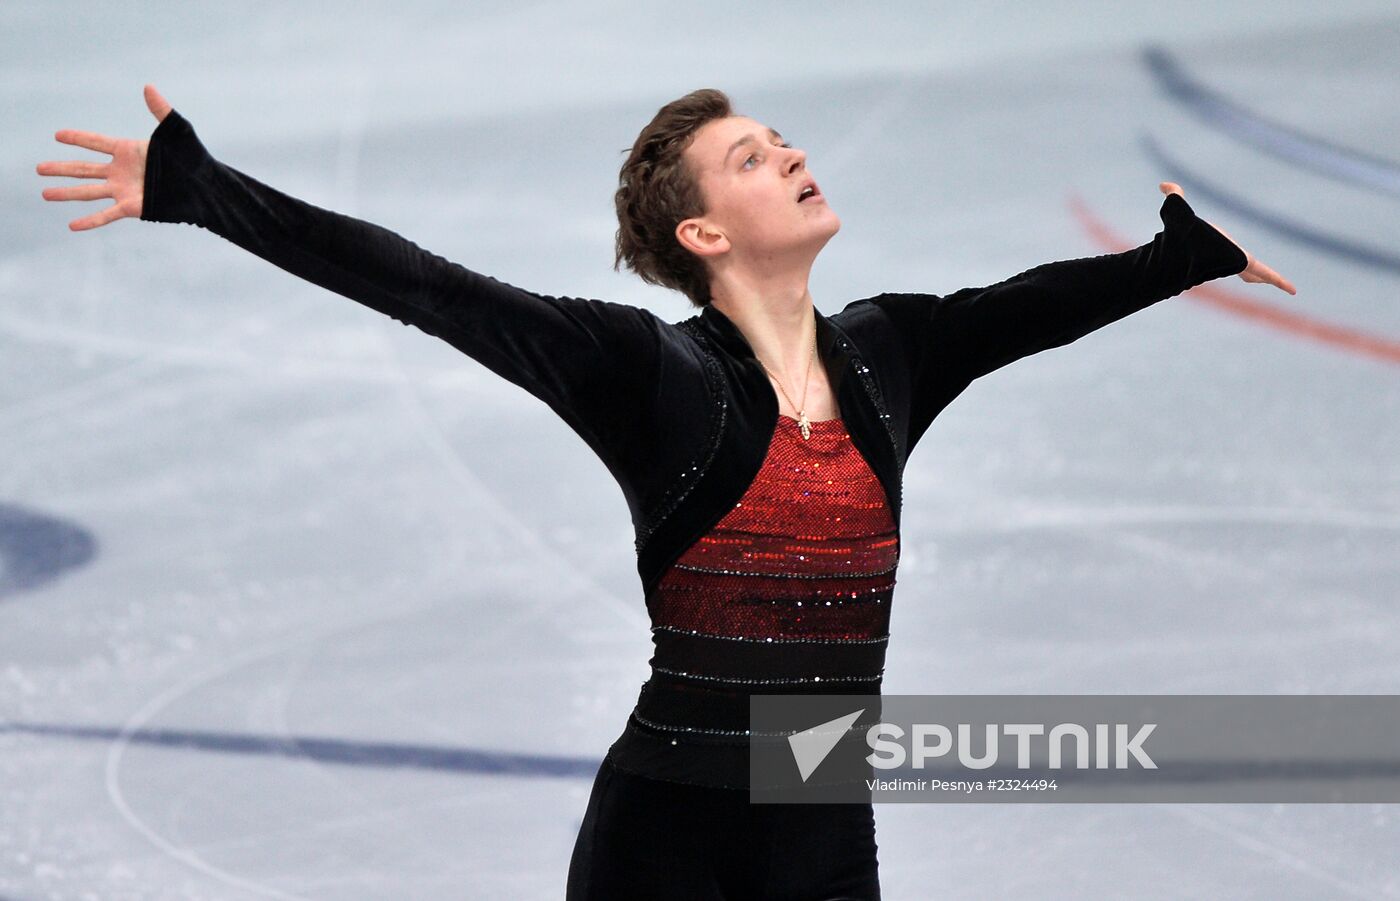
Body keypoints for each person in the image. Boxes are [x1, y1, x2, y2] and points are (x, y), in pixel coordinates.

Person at [38, 85, 1295, 900]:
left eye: (782, 140)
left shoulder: (887, 349)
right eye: (752, 157)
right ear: (701, 233)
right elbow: (431, 288)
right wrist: (206, 194)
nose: (792, 152)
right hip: (664, 847)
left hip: (818, 827)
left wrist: (1170, 258)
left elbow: (1022, 311)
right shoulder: (644, 373)